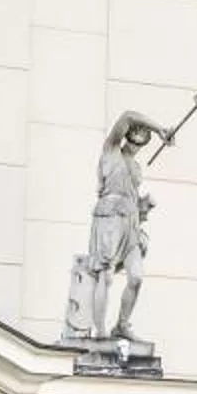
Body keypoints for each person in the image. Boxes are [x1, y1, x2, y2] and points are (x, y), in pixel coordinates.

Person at [65, 108, 182, 348]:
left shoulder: (136, 168)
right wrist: (160, 128)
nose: (139, 132)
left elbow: (133, 198)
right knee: (105, 277)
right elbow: (128, 115)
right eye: (138, 129)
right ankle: (99, 331)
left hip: (130, 223)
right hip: (109, 219)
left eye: (143, 131)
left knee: (136, 277)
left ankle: (122, 325)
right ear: (130, 133)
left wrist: (143, 207)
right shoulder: (110, 150)